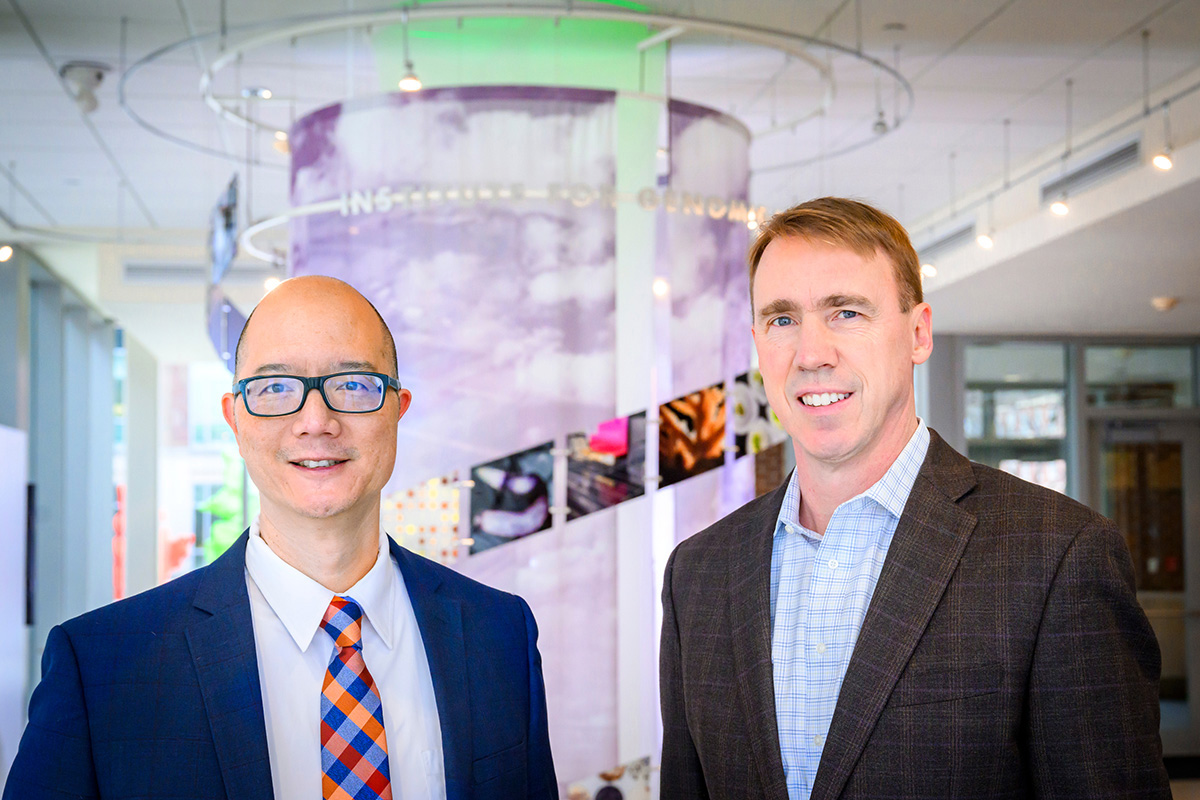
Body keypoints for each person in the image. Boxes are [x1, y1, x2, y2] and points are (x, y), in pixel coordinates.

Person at [658, 197, 1169, 799]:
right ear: (757, 344)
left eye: (846, 312)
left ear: (918, 334)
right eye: (782, 320)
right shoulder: (698, 572)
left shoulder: (1058, 556)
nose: (812, 353)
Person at [5, 276, 557, 800]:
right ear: (235, 418)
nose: (316, 420)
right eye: (274, 387)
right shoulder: (103, 665)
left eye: (354, 384)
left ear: (397, 408)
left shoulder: (498, 635)